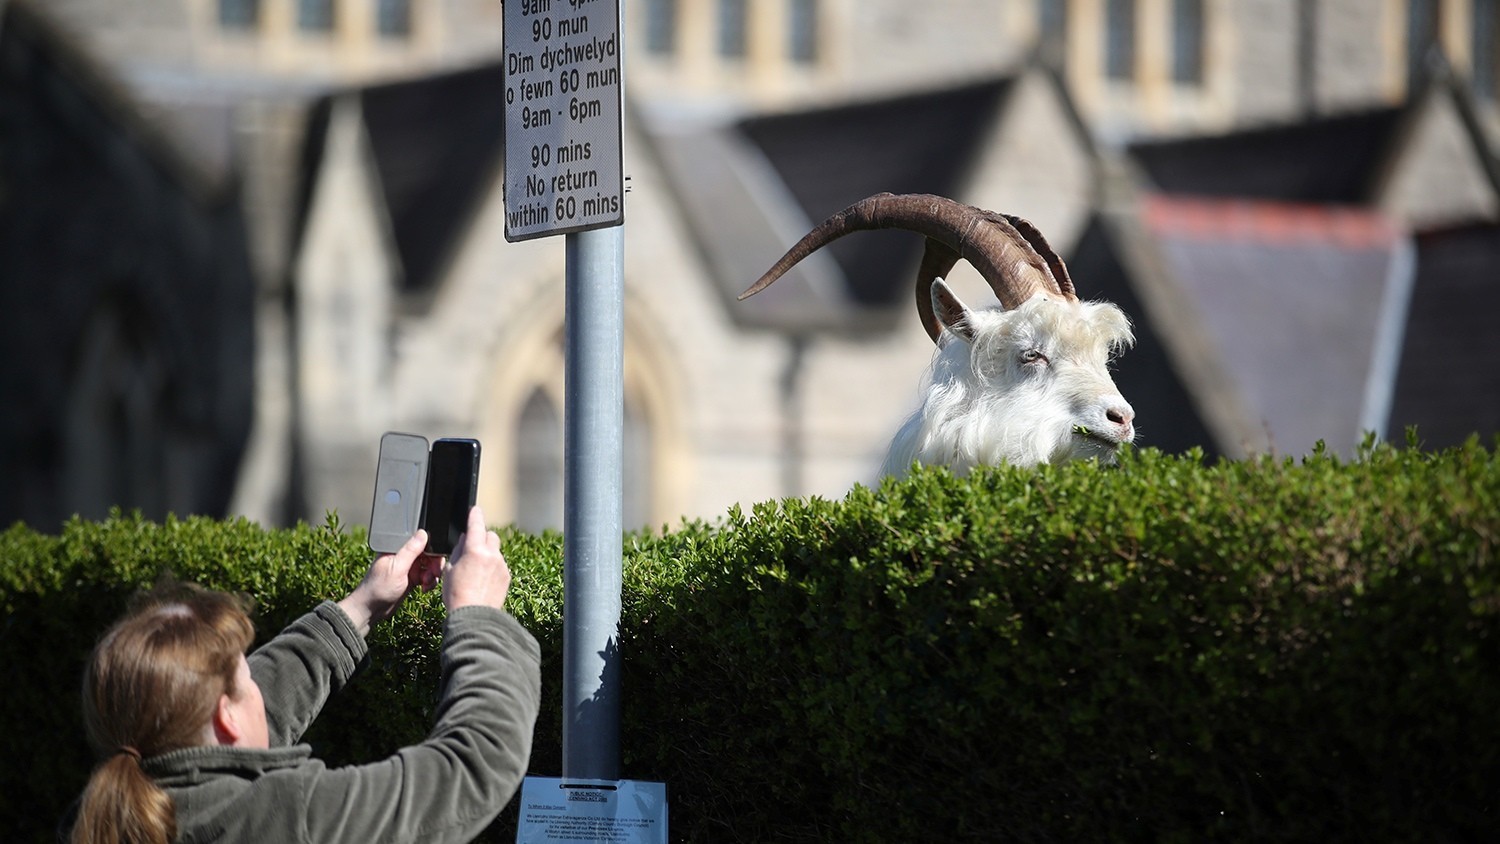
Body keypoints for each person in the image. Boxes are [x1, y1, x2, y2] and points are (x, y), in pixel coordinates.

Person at [67, 505, 541, 844]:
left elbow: (237, 732)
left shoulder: (111, 816)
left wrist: (361, 607)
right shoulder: (293, 820)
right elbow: (473, 765)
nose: (260, 684)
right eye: (246, 679)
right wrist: (478, 613)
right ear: (226, 717)